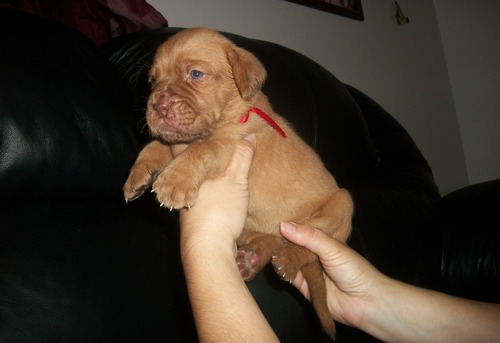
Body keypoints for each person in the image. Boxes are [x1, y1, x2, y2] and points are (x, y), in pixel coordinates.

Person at [179, 136, 500, 343]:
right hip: (278, 223)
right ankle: (268, 245)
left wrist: (205, 242)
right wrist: (373, 301)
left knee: (338, 204)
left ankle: (271, 246)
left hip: (305, 216)